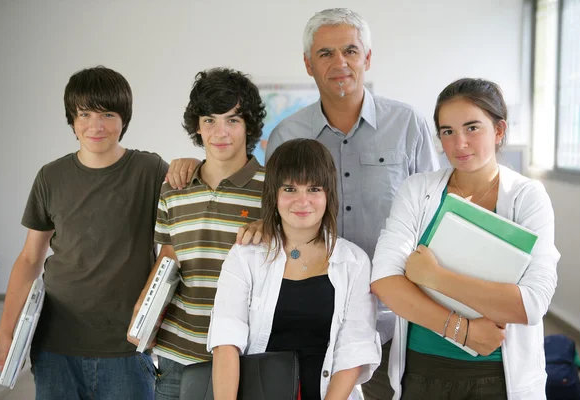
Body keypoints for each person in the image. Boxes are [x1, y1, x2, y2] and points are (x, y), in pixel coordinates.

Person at [164, 10, 440, 398]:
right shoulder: (287, 134)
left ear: (368, 57)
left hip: (393, 320)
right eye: (325, 53)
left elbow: (434, 211)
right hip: (286, 324)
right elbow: (262, 190)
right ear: (309, 64)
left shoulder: (408, 124)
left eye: (350, 50)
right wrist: (193, 163)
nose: (340, 62)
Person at [371, 78, 560, 399]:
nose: (459, 144)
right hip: (422, 370)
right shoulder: (418, 190)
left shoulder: (527, 197)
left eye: (472, 128)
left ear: (499, 131)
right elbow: (385, 281)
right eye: (447, 131)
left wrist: (434, 276)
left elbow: (531, 304)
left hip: (498, 375)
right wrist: (464, 331)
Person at [0, 66, 168, 399]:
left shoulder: (150, 171)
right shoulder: (51, 176)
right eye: (84, 114)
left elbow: (177, 236)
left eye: (107, 113)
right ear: (71, 119)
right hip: (56, 345)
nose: (95, 125)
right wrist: (6, 331)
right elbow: (31, 258)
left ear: (124, 119)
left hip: (127, 348)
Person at [127, 68, 266, 400]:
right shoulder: (174, 186)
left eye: (232, 120)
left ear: (249, 126)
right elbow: (167, 259)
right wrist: (141, 316)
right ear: (197, 126)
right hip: (177, 355)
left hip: (243, 354)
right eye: (210, 121)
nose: (221, 132)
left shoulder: (273, 188)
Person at [209, 138, 381, 400]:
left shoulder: (354, 261)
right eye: (290, 189)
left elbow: (354, 348)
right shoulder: (245, 256)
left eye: (313, 189)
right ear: (273, 195)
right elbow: (226, 340)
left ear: (328, 195)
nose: (303, 201)